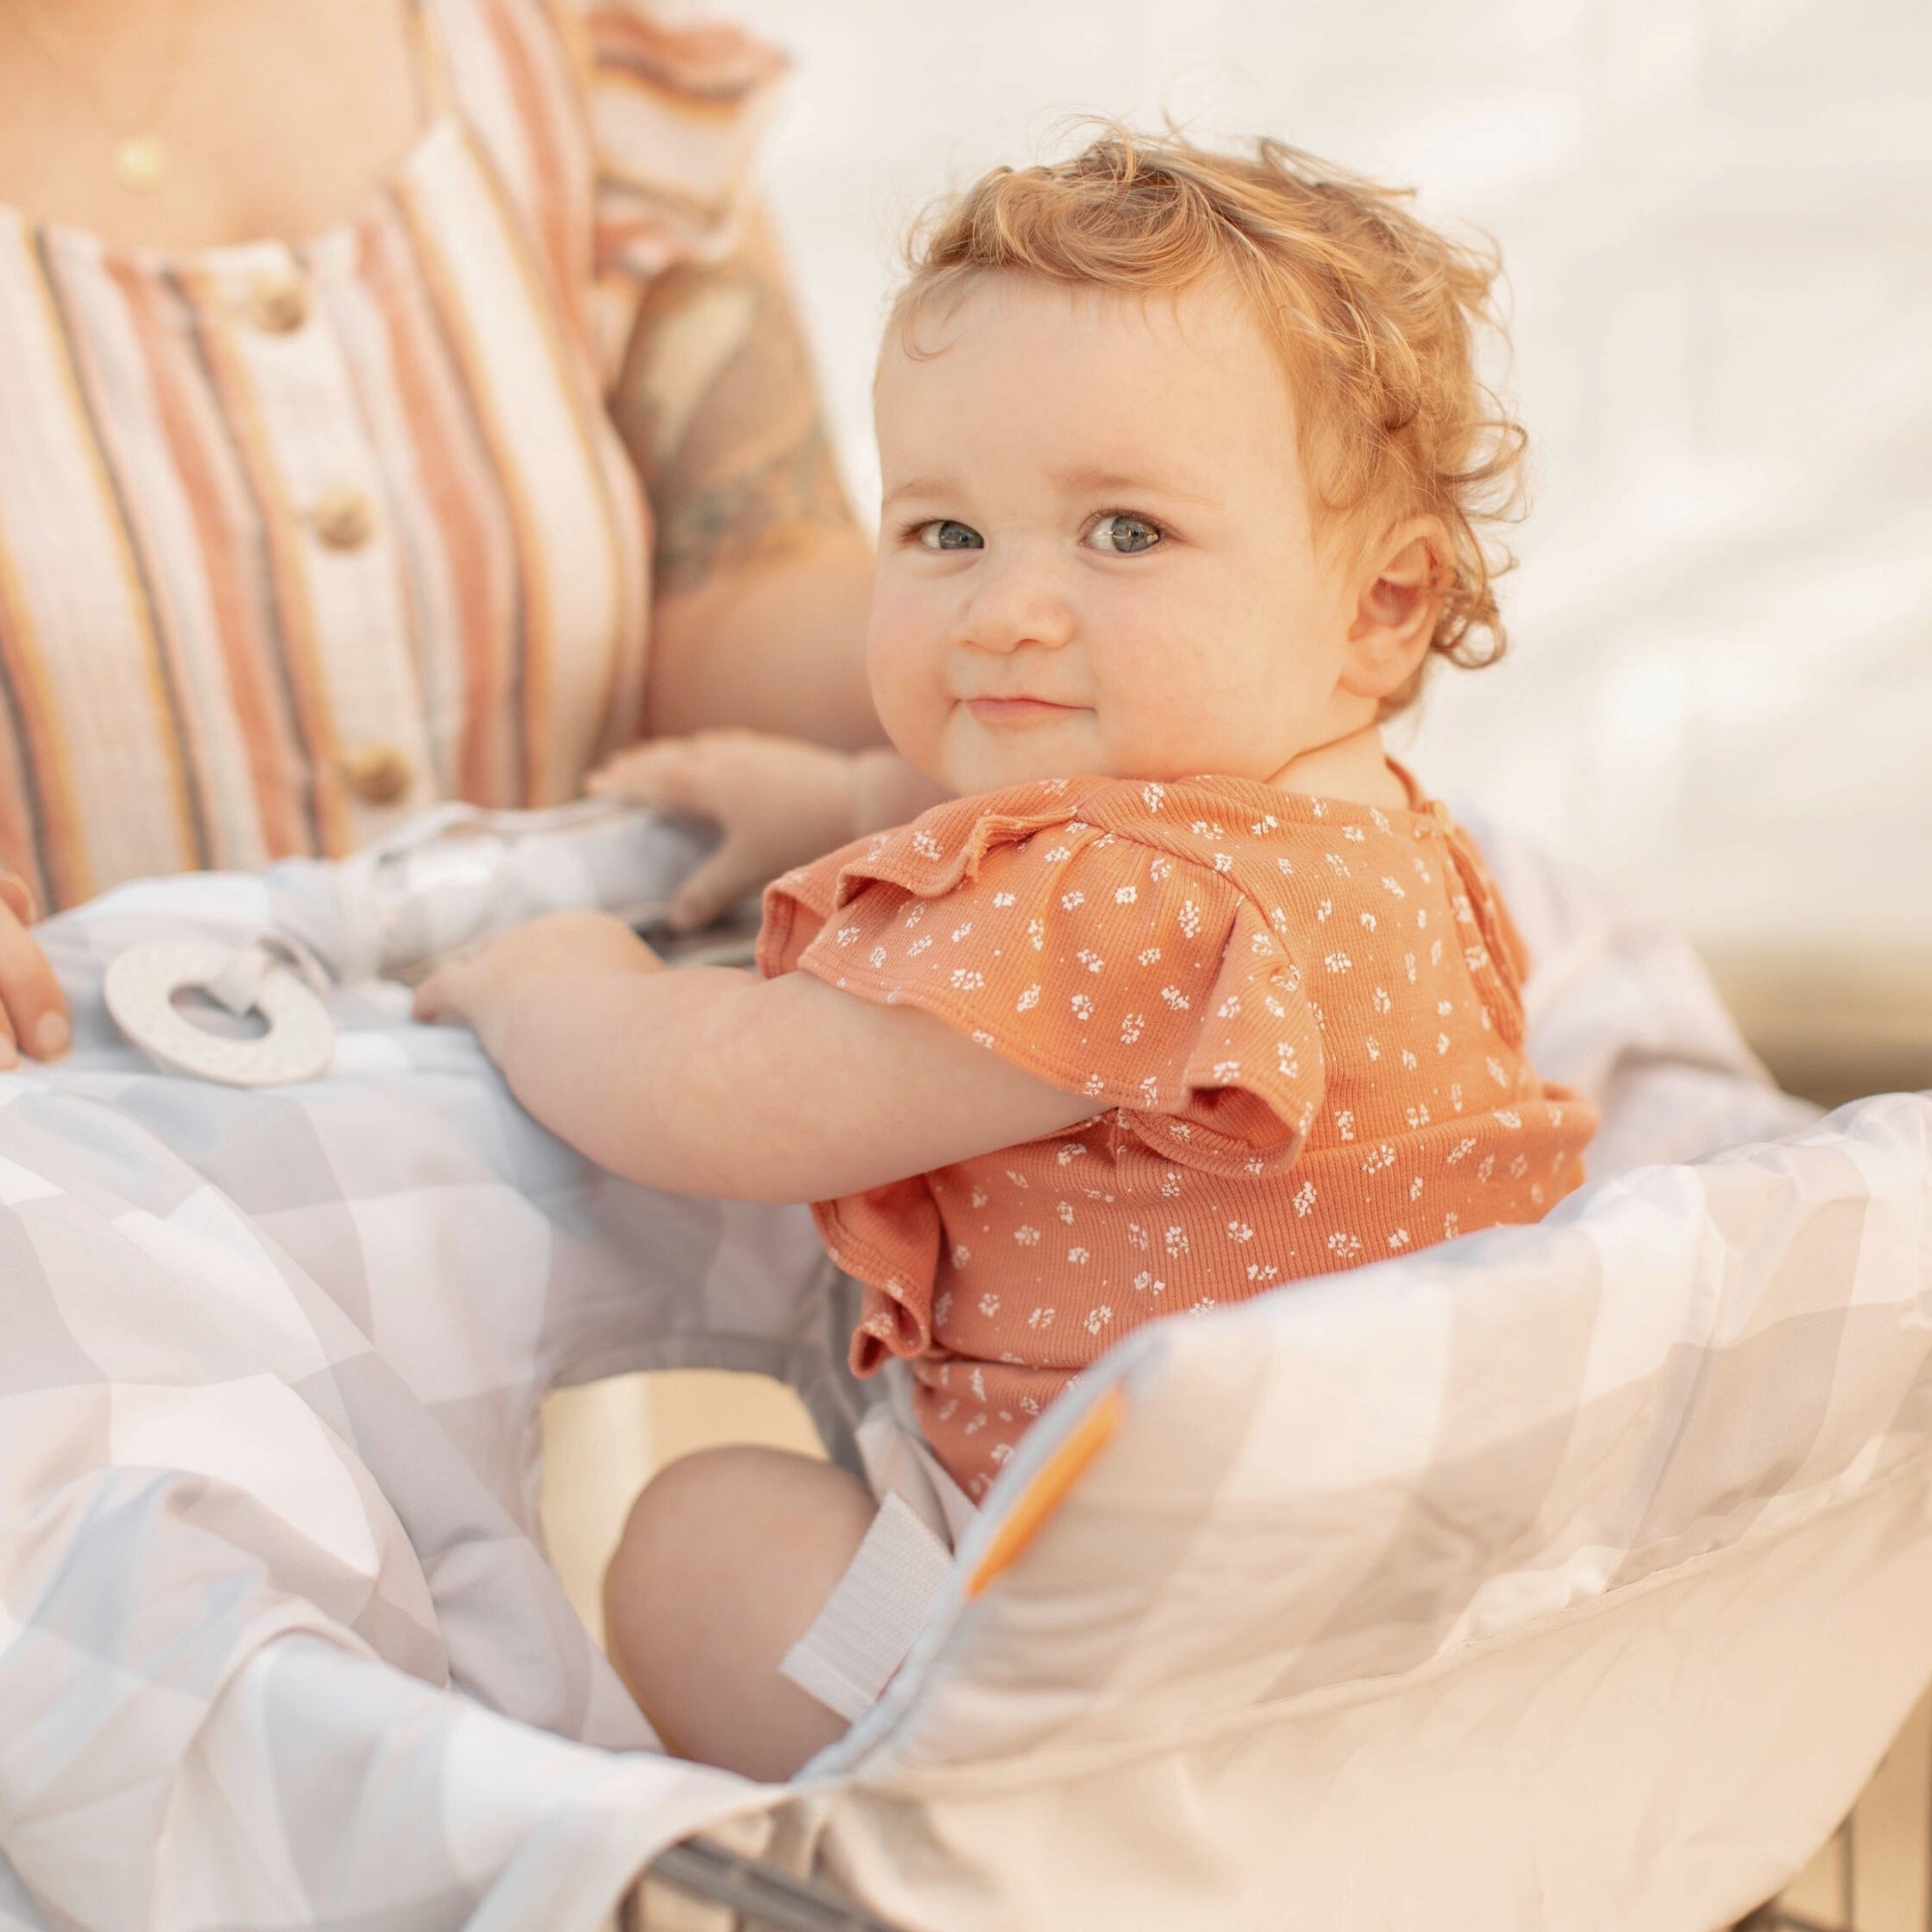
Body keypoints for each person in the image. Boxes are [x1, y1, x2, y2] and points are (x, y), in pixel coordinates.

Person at [415, 127, 1601, 1780]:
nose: (1005, 615)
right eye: (944, 534)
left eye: (1123, 534)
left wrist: (552, 983)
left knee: (698, 1534)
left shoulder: (1115, 905)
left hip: (1111, 1692)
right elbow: (1068, 816)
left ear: (1383, 606)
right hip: (1385, 1613)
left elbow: (741, 1097)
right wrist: (841, 799)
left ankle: (960, 1860)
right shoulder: (1391, 846)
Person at [0, 0, 937, 1066]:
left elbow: (740, 580)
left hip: (605, 1154)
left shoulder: (579, 61)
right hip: (96, 1182)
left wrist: (1050, 612)